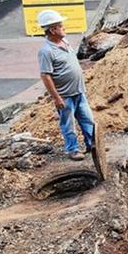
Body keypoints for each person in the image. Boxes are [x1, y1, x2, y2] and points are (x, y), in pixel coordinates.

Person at [37, 9, 95, 160]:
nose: (65, 29)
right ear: (52, 30)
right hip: (65, 95)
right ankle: (73, 150)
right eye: (61, 26)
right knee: (68, 125)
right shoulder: (46, 51)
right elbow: (45, 75)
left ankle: (92, 145)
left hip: (78, 92)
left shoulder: (65, 43)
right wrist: (57, 98)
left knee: (87, 119)